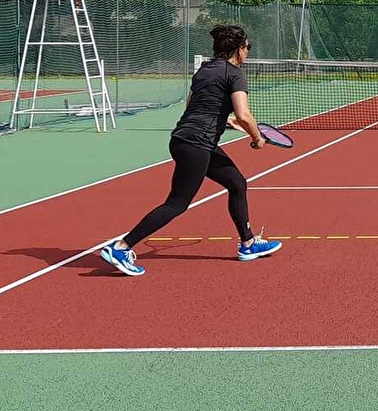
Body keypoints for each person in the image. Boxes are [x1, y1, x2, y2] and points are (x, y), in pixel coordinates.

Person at [99, 24, 282, 276]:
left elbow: (192, 106)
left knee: (237, 183)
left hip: (184, 139)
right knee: (177, 204)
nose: (248, 51)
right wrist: (256, 138)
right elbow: (244, 115)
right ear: (238, 49)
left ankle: (248, 243)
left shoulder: (204, 70)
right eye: (247, 47)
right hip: (197, 144)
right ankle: (121, 247)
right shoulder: (235, 74)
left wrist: (223, 120)